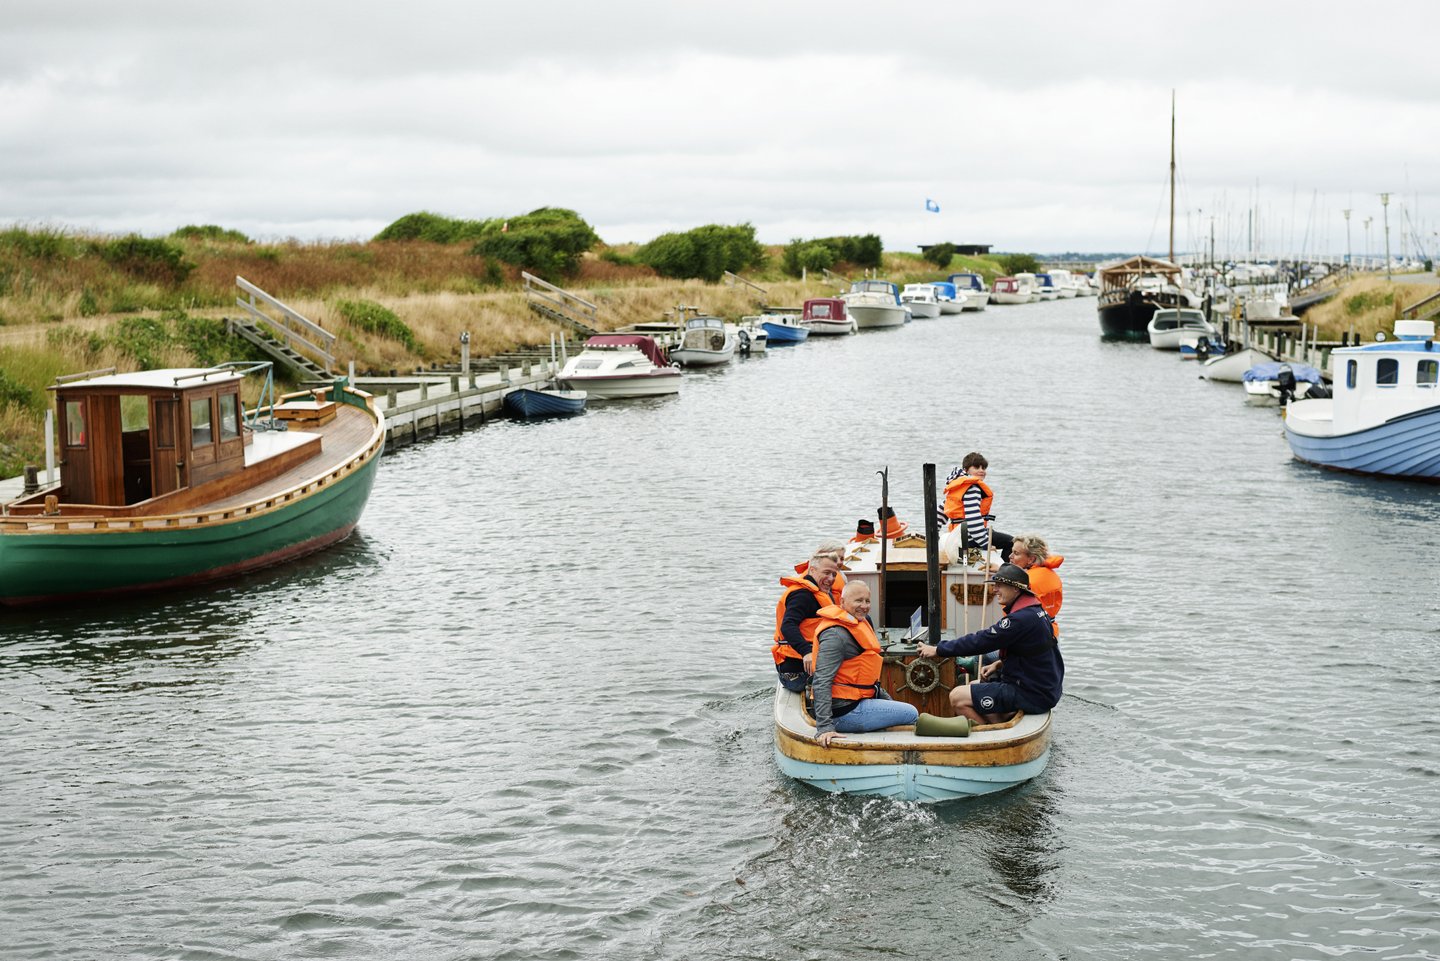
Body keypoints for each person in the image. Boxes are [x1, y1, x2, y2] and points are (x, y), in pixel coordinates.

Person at [916, 564, 1062, 725]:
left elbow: (981, 641)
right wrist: (998, 664)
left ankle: (991, 736)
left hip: (1031, 693)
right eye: (994, 585)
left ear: (1016, 589)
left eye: (1000, 585)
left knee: (957, 697)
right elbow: (1033, 650)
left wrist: (938, 650)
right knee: (973, 684)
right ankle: (999, 722)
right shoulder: (1036, 611)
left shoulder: (1019, 620)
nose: (995, 590)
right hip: (1043, 688)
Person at [811, 581, 919, 746]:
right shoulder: (835, 635)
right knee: (911, 713)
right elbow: (821, 680)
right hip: (842, 712)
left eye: (867, 601)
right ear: (842, 602)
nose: (864, 606)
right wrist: (825, 727)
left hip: (857, 700)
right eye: (858, 601)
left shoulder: (859, 623)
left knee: (898, 709)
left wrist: (887, 700)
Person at [771, 553, 839, 693]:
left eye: (834, 574)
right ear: (812, 570)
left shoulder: (820, 593)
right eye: (826, 573)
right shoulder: (802, 596)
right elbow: (788, 626)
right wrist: (806, 652)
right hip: (795, 672)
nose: (831, 578)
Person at [936, 452, 1013, 563]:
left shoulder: (958, 486)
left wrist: (934, 538)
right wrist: (986, 544)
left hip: (957, 537)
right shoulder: (973, 488)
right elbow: (973, 521)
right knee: (1012, 542)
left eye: (984, 468)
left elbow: (939, 514)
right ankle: (1002, 570)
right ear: (966, 470)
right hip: (969, 538)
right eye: (976, 467)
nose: (981, 470)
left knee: (993, 534)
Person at [1009, 534, 1063, 635]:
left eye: (1016, 553)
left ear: (1031, 559)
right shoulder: (1050, 574)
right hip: (1052, 632)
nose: (1010, 556)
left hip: (1031, 636)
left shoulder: (1025, 582)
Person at [792, 541, 847, 605]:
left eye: (842, 558)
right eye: (835, 557)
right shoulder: (802, 594)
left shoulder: (838, 575)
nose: (839, 562)